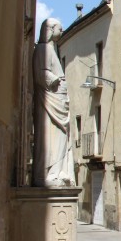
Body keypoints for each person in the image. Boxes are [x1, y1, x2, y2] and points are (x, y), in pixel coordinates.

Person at [32, 18, 75, 186]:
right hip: (51, 100)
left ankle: (58, 172)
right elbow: (41, 74)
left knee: (61, 137)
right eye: (60, 28)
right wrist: (56, 80)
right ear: (51, 29)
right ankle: (49, 173)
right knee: (51, 136)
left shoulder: (52, 50)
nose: (62, 31)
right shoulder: (43, 49)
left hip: (58, 100)